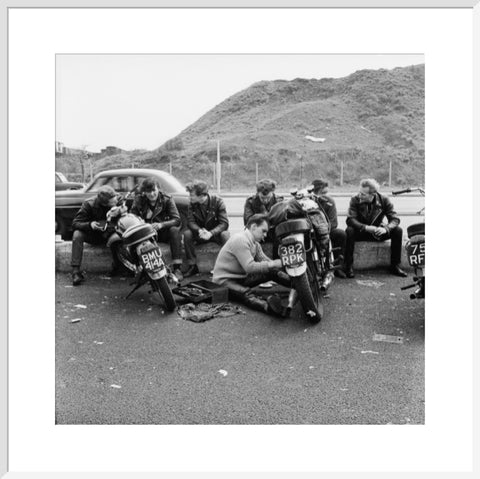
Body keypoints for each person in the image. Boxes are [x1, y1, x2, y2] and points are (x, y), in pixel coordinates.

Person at [212, 214, 291, 317]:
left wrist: (285, 265)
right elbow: (249, 267)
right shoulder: (240, 239)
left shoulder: (255, 244)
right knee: (247, 293)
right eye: (263, 231)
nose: (265, 235)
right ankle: (269, 307)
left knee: (271, 271)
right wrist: (273, 263)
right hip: (224, 282)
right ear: (253, 227)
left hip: (240, 278)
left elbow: (266, 262)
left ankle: (295, 284)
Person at [345, 178, 407, 278]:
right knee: (349, 231)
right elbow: (350, 220)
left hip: (377, 233)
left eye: (363, 194)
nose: (359, 195)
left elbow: (395, 219)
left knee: (397, 231)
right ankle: (348, 266)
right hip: (361, 231)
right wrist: (365, 227)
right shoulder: (355, 199)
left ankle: (395, 265)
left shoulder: (384, 199)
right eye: (359, 192)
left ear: (372, 195)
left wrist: (386, 229)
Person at [130, 177, 184, 280]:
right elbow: (132, 216)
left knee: (175, 230)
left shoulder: (167, 199)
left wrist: (161, 225)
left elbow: (177, 219)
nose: (151, 194)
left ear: (158, 189)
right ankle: (138, 268)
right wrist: (142, 224)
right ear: (144, 192)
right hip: (146, 234)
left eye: (154, 190)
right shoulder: (139, 199)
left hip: (162, 232)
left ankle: (177, 268)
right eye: (148, 192)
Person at [70, 185, 123, 286]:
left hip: (110, 234)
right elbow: (75, 223)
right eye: (112, 202)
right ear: (104, 204)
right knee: (77, 235)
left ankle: (119, 267)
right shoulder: (88, 204)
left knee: (119, 236)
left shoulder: (118, 200)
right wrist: (90, 225)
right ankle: (76, 272)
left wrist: (121, 211)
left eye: (115, 198)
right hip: (93, 234)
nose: (115, 202)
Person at [183, 180, 230, 277]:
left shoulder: (218, 201)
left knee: (226, 234)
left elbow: (224, 223)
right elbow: (190, 222)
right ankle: (193, 266)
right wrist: (199, 230)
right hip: (200, 233)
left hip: (214, 234)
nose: (189, 197)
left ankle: (228, 265)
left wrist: (211, 233)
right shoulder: (191, 204)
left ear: (201, 196)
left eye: (192, 195)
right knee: (187, 234)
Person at [311, 178, 347, 278]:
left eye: (326, 192)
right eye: (323, 193)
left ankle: (337, 267)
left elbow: (333, 222)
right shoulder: (307, 201)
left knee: (340, 234)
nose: (325, 195)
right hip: (310, 232)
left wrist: (323, 231)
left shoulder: (330, 201)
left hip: (326, 230)